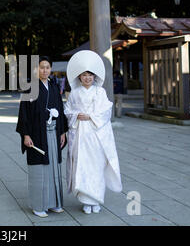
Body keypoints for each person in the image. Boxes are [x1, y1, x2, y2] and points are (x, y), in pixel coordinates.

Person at [64, 50, 122, 214]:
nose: (87, 78)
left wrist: (91, 116)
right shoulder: (74, 93)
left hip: (96, 134)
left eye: (90, 75)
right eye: (84, 75)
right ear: (79, 77)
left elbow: (106, 110)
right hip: (80, 133)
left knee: (96, 165)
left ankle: (96, 199)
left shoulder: (100, 92)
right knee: (82, 164)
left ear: (94, 76)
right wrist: (76, 115)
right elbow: (67, 111)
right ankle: (85, 200)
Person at [16, 56, 68, 218]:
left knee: (53, 168)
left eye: (47, 67)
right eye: (41, 67)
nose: (45, 70)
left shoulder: (53, 87)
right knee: (39, 169)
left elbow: (60, 108)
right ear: (36, 69)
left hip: (53, 133)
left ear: (51, 69)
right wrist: (26, 135)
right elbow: (23, 112)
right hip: (37, 134)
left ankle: (53, 203)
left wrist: (63, 132)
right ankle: (39, 205)